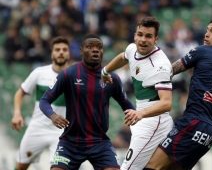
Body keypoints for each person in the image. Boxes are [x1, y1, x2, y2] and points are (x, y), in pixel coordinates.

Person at [144, 16, 212, 170]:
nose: (206, 34)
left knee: (152, 166)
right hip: (210, 133)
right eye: (207, 30)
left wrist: (146, 83)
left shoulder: (203, 51)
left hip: (192, 122)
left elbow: (171, 70)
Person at [39, 34, 135, 170]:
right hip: (70, 143)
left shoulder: (112, 78)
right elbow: (44, 101)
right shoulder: (69, 74)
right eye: (90, 47)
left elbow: (127, 106)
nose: (95, 50)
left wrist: (137, 117)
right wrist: (53, 116)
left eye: (99, 47)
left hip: (100, 143)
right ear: (81, 50)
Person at [101, 16, 173, 170]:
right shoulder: (132, 48)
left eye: (148, 36)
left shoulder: (160, 65)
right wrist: (105, 70)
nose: (143, 40)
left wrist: (140, 114)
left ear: (156, 39)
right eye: (140, 34)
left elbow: (167, 103)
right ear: (135, 35)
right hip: (142, 117)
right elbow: (123, 57)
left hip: (154, 121)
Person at [11, 36, 71, 170]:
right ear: (51, 53)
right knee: (20, 167)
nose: (61, 52)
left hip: (61, 133)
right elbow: (20, 93)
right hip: (37, 128)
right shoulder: (39, 73)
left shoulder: (75, 76)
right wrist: (17, 113)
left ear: (69, 53)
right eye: (57, 49)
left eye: (64, 49)